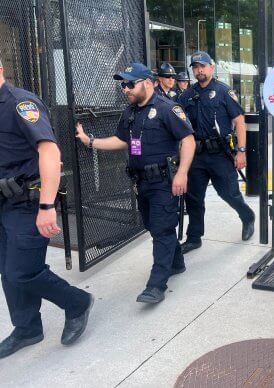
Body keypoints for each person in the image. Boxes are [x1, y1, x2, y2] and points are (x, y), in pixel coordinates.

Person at [76, 63, 195, 304]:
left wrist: (182, 172)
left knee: (161, 230)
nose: (125, 89)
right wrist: (90, 141)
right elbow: (122, 141)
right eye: (123, 84)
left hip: (164, 181)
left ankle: (156, 285)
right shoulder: (130, 112)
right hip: (142, 182)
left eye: (130, 84)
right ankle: (177, 261)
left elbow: (188, 139)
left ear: (148, 83)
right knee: (153, 226)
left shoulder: (167, 109)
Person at [0, 58, 93, 358]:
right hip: (3, 204)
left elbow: (50, 151)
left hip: (27, 202)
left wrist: (46, 205)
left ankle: (76, 302)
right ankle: (27, 328)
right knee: (7, 271)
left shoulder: (20, 103)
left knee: (22, 273)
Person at [178, 51, 255, 254]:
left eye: (203, 66)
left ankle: (247, 217)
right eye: (195, 67)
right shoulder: (186, 96)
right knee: (194, 198)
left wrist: (241, 152)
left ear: (211, 67)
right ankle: (194, 237)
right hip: (195, 155)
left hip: (219, 154)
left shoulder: (223, 92)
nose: (199, 70)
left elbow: (239, 121)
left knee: (229, 193)